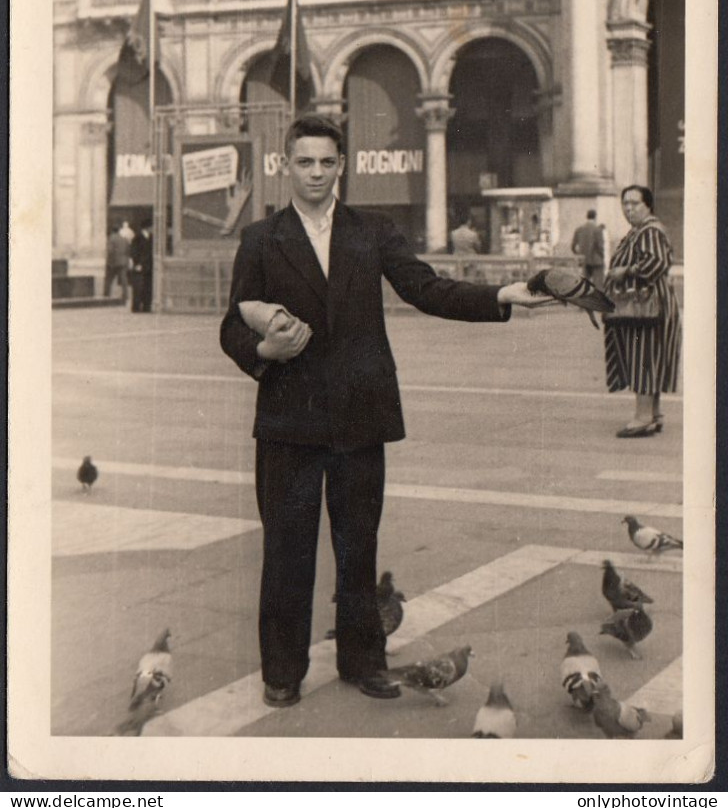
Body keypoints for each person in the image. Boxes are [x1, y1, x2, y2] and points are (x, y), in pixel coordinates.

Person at [219, 114, 553, 710]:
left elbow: (427, 289)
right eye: (304, 162)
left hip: (358, 415)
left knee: (357, 548)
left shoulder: (372, 230)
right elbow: (231, 327)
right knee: (287, 551)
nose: (316, 173)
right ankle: (283, 670)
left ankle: (363, 660)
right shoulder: (261, 239)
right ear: (285, 165)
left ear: (341, 165)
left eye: (327, 162)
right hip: (289, 421)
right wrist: (263, 350)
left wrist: (503, 295)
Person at [603, 185, 682, 438]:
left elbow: (656, 263)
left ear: (648, 205)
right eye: (625, 204)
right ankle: (654, 415)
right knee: (649, 358)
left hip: (648, 307)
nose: (629, 209)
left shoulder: (650, 231)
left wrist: (624, 271)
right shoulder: (640, 231)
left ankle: (642, 417)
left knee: (644, 358)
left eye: (634, 203)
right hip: (648, 306)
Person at [571, 209, 605, 289]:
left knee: (584, 286)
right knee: (598, 286)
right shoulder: (598, 229)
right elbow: (600, 246)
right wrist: (602, 256)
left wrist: (578, 254)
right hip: (597, 261)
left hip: (584, 260)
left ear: (587, 217)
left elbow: (573, 246)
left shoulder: (579, 229)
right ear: (595, 217)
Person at [130, 220, 153, 312]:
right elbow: (134, 251)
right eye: (152, 227)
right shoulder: (137, 237)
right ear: (147, 227)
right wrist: (137, 263)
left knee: (148, 287)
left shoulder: (152, 237)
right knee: (138, 287)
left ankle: (147, 306)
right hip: (140, 265)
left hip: (149, 266)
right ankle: (136, 306)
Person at [103, 225, 130, 304]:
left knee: (109, 279)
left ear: (111, 231)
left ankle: (106, 294)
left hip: (113, 262)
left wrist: (109, 261)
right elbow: (128, 250)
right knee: (124, 279)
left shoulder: (111, 238)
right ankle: (125, 295)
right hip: (123, 261)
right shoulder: (124, 239)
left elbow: (110, 251)